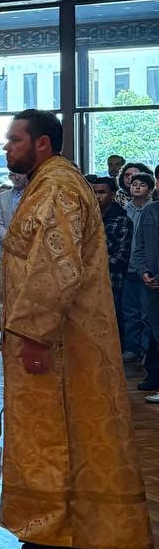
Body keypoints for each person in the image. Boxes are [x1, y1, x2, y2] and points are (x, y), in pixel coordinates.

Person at [0, 109, 152, 549]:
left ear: (42, 143)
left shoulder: (59, 187)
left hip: (60, 341)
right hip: (62, 336)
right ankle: (57, 531)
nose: (7, 147)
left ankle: (65, 534)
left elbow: (55, 267)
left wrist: (34, 334)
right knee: (61, 431)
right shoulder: (49, 183)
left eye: (15, 140)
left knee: (58, 432)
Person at [92, 176, 132, 342]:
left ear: (113, 194)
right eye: (94, 192)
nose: (97, 196)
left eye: (102, 192)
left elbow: (122, 256)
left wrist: (95, 261)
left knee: (113, 320)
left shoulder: (122, 219)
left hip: (113, 279)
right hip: (89, 279)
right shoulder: (89, 218)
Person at [122, 170, 154, 363]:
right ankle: (132, 347)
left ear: (149, 190)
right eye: (134, 184)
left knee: (146, 312)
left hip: (146, 269)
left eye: (142, 185)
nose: (137, 187)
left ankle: (146, 349)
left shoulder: (152, 210)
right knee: (129, 311)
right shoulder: (125, 209)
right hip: (128, 267)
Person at [133, 190, 159, 397]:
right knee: (154, 332)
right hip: (150, 285)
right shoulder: (150, 210)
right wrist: (143, 272)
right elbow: (139, 247)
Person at [0, 171, 27, 297]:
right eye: (13, 174)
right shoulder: (1, 197)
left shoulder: (36, 195)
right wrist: (11, 242)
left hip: (30, 249)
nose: (16, 177)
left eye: (19, 173)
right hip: (6, 248)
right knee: (7, 291)